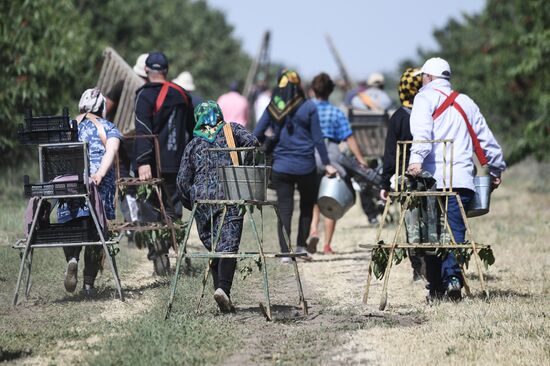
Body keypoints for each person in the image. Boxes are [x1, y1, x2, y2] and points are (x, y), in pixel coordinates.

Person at [407, 57, 506, 300]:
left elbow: (421, 131)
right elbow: (485, 138)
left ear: (428, 77)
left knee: (431, 232)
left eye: (423, 77)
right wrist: (496, 169)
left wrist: (416, 160)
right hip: (461, 179)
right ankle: (452, 278)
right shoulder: (466, 102)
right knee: (454, 230)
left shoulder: (424, 98)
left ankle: (436, 287)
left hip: (430, 179)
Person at [177, 101, 258, 313]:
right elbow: (252, 142)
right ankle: (223, 289)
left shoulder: (194, 144)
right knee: (228, 246)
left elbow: (182, 180)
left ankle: (221, 293)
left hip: (203, 202)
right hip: (231, 194)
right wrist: (245, 171)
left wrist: (191, 201)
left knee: (215, 246)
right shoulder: (232, 130)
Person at [254, 70, 337, 261]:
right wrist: (327, 164)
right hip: (306, 166)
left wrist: (265, 144)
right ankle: (300, 247)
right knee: (307, 206)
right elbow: (318, 139)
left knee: (285, 208)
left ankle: (285, 252)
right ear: (299, 87)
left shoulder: (274, 107)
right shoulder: (308, 107)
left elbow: (257, 133)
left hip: (281, 167)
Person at [134, 51, 195, 275]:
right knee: (172, 211)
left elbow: (143, 130)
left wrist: (142, 161)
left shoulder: (143, 95)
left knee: (149, 211)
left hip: (151, 164)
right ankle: (169, 249)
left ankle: (158, 252)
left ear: (147, 71)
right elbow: (192, 129)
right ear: (166, 71)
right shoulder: (182, 95)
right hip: (178, 164)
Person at [60, 88, 122, 296]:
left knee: (73, 226)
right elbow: (111, 151)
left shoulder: (67, 127)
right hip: (98, 188)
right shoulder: (108, 126)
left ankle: (72, 258)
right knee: (97, 234)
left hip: (71, 187)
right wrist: (100, 174)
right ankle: (88, 285)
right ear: (102, 107)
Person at [307, 72, 368, 254]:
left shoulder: (306, 109)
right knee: (330, 197)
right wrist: (361, 160)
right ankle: (327, 245)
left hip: (310, 154)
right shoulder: (336, 112)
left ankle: (313, 229)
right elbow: (348, 137)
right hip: (331, 154)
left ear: (313, 89)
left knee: (313, 197)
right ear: (330, 91)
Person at [379, 67, 424, 281]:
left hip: (406, 179)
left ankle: (418, 268)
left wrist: (385, 183)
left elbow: (390, 154)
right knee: (433, 220)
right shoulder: (429, 113)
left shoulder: (398, 117)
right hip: (431, 176)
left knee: (412, 224)